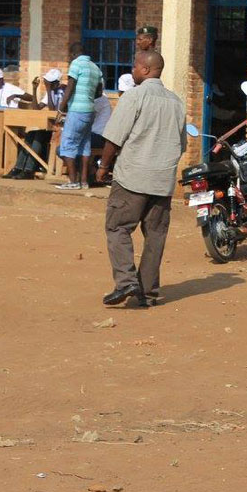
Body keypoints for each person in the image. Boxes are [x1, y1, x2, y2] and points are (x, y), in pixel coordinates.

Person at [97, 51, 187, 307]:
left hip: (132, 178)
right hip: (161, 181)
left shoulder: (135, 96)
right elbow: (180, 145)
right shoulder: (176, 102)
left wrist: (104, 166)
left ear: (146, 70)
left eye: (135, 66)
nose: (133, 70)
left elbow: (114, 137)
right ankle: (147, 293)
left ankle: (126, 282)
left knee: (117, 227)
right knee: (155, 235)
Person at [3, 68, 65, 180]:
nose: (48, 84)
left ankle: (29, 169)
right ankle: (18, 167)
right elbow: (36, 108)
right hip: (53, 126)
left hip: (62, 128)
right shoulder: (49, 93)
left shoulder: (63, 92)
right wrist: (35, 89)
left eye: (50, 83)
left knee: (39, 136)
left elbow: (52, 109)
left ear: (57, 83)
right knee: (31, 134)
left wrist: (48, 89)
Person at [56, 43, 103, 190]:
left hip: (77, 110)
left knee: (67, 144)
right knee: (84, 146)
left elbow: (70, 87)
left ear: (72, 54)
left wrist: (61, 108)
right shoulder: (96, 68)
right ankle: (84, 181)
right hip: (89, 111)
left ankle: (72, 181)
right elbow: (99, 93)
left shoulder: (76, 64)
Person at [116, 26, 158, 92]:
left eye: (140, 39)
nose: (137, 42)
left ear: (150, 40)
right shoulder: (139, 56)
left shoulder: (156, 60)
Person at [86, 90, 112, 185]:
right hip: (96, 135)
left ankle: (90, 172)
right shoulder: (95, 98)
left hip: (99, 136)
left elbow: (84, 112)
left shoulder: (100, 99)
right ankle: (90, 170)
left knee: (71, 145)